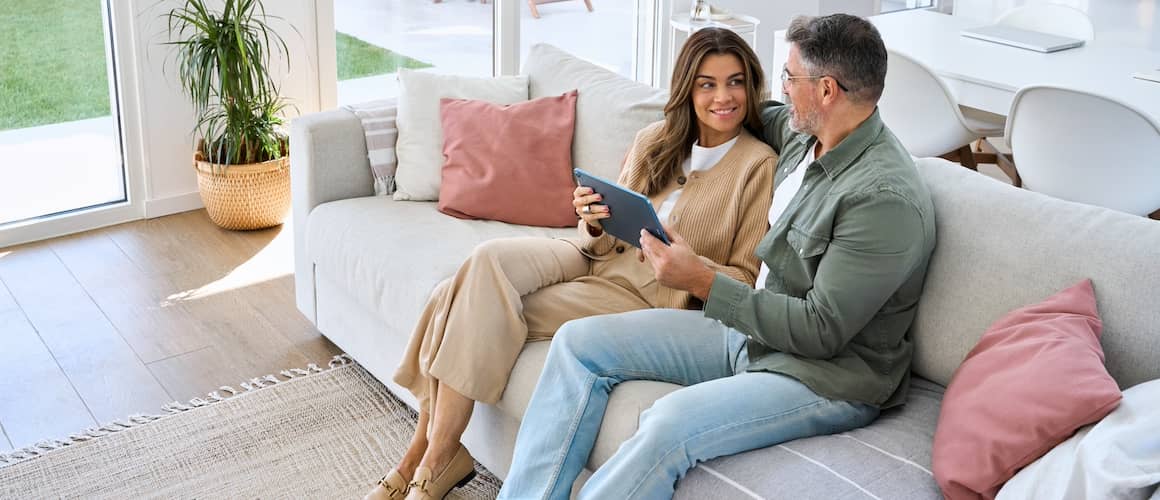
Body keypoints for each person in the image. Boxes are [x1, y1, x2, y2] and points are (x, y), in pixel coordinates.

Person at [498, 13, 938, 500]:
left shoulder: (882, 199)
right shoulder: (804, 135)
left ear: (827, 90)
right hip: (751, 334)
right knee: (578, 344)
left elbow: (820, 330)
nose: (782, 90)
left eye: (790, 78)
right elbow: (731, 111)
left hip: (824, 376)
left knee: (667, 423)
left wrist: (704, 282)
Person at [365, 27, 778, 500]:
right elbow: (596, 244)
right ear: (688, 87)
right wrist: (592, 220)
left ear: (751, 86)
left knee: (451, 297)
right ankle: (432, 456)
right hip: (589, 258)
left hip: (645, 295)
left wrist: (692, 269)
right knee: (483, 262)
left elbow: (746, 279)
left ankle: (425, 460)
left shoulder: (757, 165)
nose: (723, 97)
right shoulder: (655, 139)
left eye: (735, 82)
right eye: (707, 83)